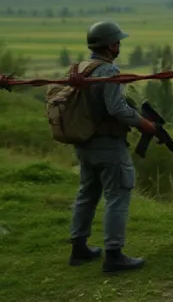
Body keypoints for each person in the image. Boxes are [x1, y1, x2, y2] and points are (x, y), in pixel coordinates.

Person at [67, 20, 159, 273]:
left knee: (87, 193)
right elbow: (116, 108)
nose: (119, 44)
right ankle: (114, 255)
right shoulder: (108, 71)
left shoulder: (81, 68)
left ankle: (78, 248)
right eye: (117, 41)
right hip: (108, 144)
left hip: (85, 142)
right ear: (110, 45)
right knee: (118, 195)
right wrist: (145, 125)